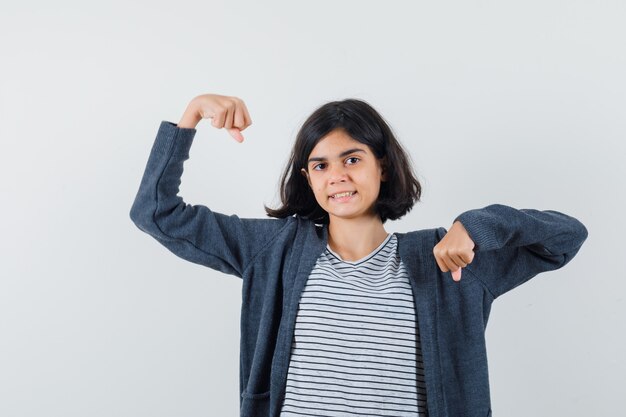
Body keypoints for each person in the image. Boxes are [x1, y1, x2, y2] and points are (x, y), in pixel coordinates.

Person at [129, 93, 588, 417]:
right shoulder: (274, 250)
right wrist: (190, 116)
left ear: (381, 166)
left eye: (352, 159)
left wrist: (479, 225)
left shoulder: (446, 258)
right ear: (307, 179)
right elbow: (156, 213)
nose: (336, 176)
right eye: (320, 165)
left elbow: (566, 237)